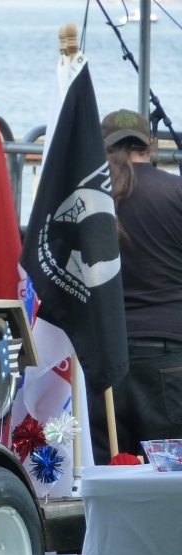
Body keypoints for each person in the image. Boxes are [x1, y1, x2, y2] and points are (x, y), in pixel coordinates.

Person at [89, 109, 182, 462]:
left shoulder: (92, 199)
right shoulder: (175, 192)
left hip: (106, 357)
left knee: (110, 473)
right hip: (168, 356)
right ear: (152, 145)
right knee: (171, 480)